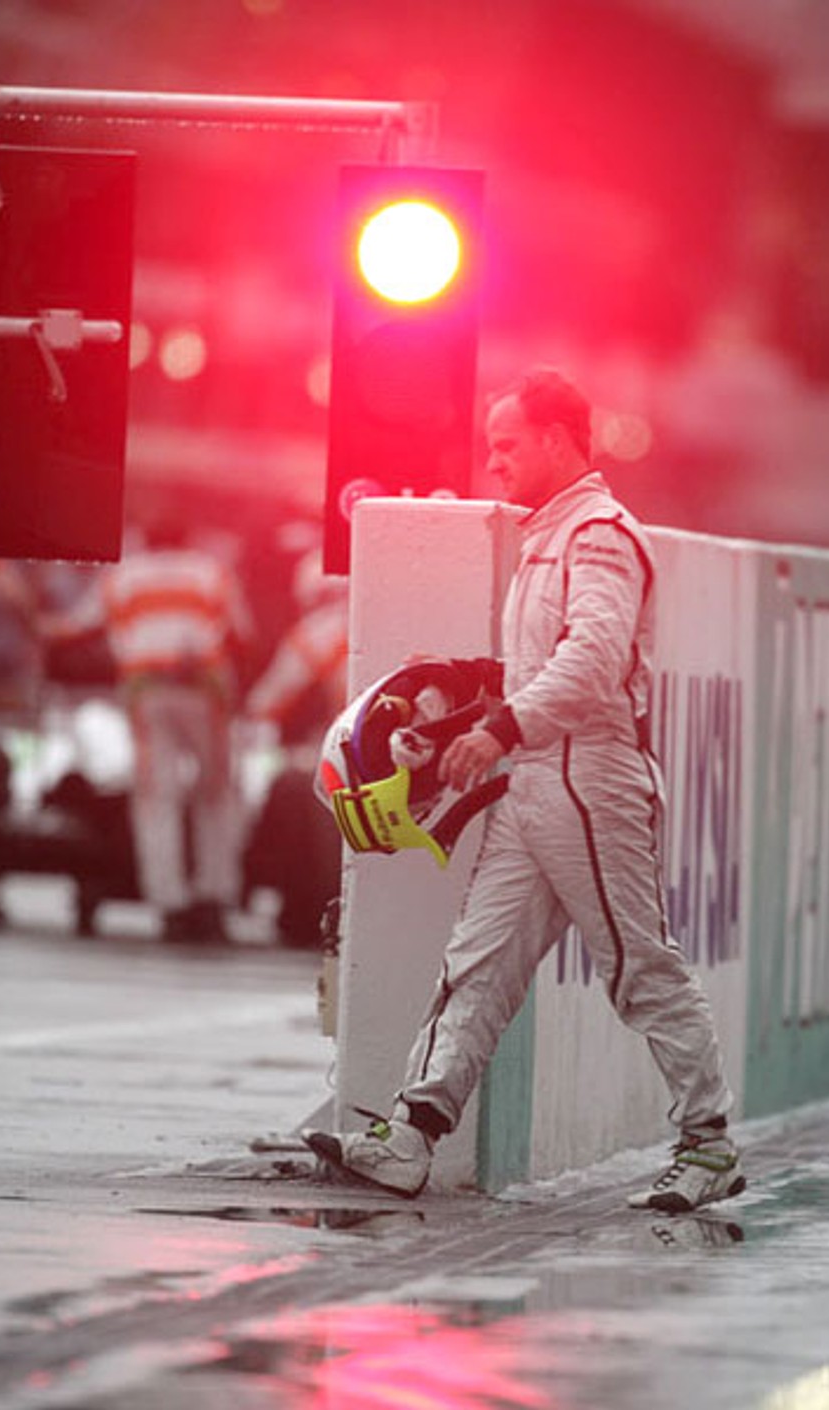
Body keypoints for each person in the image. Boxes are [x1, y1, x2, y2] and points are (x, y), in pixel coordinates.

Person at [305, 368, 745, 1213]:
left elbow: (592, 661)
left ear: (558, 439)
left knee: (638, 968)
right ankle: (410, 1137)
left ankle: (709, 1143)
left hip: (591, 779)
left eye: (507, 444)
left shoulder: (601, 536)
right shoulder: (556, 534)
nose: (494, 461)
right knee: (477, 962)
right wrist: (469, 713)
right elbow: (552, 665)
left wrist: (499, 729)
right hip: (544, 776)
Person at [49, 512, 253, 945]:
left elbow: (74, 627)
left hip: (146, 690)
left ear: (144, 537)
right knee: (216, 795)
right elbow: (241, 632)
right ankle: (214, 898)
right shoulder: (210, 572)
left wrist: (34, 621)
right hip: (204, 690)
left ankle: (170, 904)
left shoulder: (125, 575)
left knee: (156, 797)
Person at [242, 546, 349, 948]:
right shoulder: (396, 616)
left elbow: (268, 701)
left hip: (356, 760)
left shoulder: (323, 629)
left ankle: (303, 911)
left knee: (294, 791)